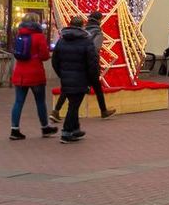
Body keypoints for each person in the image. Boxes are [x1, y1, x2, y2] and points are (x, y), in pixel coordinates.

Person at [51, 11, 115, 121]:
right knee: (93, 89)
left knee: (67, 89)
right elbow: (94, 49)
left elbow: (55, 59)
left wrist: (61, 72)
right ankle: (102, 112)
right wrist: (94, 67)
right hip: (88, 66)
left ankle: (56, 111)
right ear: (99, 20)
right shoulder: (97, 33)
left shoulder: (78, 33)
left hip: (72, 67)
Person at [51, 15, 100, 143]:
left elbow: (54, 60)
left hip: (66, 78)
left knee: (74, 104)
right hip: (81, 79)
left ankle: (75, 129)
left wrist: (62, 74)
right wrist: (92, 79)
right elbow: (92, 63)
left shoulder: (62, 41)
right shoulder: (86, 42)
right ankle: (66, 132)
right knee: (73, 106)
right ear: (82, 26)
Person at [8, 13, 58, 140]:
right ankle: (45, 127)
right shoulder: (39, 36)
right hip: (35, 73)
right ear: (36, 22)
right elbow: (45, 56)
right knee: (40, 101)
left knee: (18, 102)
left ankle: (14, 130)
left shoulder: (19, 35)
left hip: (20, 73)